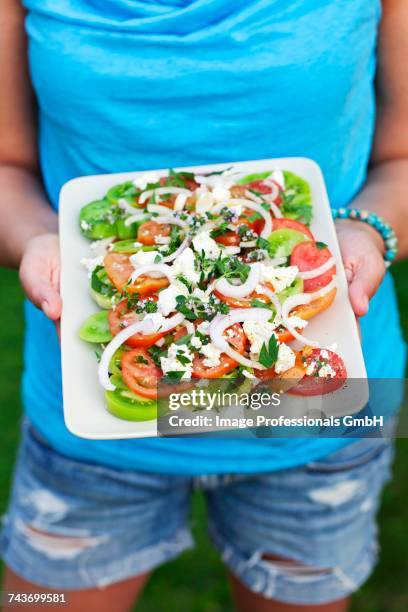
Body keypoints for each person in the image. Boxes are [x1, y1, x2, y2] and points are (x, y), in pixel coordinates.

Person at [0, 1, 407, 610]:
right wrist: (37, 240)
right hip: (90, 416)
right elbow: (5, 164)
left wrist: (369, 231)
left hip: (318, 404)